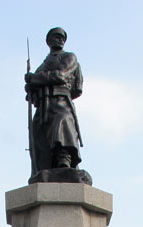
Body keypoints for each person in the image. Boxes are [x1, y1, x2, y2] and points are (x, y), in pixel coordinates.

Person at [24, 26, 83, 173]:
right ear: (48, 41)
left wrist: (35, 79)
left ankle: (65, 159)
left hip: (61, 102)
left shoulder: (69, 57)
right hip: (43, 105)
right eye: (56, 37)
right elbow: (32, 90)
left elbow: (60, 75)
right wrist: (30, 87)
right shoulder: (42, 65)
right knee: (38, 135)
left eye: (62, 37)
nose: (60, 39)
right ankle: (43, 168)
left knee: (61, 122)